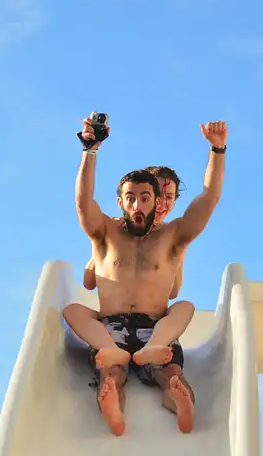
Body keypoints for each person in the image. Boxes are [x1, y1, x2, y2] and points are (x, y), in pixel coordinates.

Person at [74, 114, 227, 437]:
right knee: (107, 368)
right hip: (110, 330)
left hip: (154, 330)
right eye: (130, 198)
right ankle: (112, 400)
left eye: (145, 197)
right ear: (121, 203)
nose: (138, 204)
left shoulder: (172, 237)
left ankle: (179, 399)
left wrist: (217, 151)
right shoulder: (105, 233)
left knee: (172, 359)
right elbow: (83, 202)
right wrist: (90, 150)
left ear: (157, 203)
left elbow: (209, 199)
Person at [63, 165, 195, 367]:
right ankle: (112, 352)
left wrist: (172, 255)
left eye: (169, 197)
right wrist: (107, 251)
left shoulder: (173, 236)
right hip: (114, 318)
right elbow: (89, 281)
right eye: (157, 193)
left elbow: (173, 291)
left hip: (152, 323)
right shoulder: (115, 229)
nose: (162, 203)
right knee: (74, 312)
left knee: (184, 308)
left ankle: (152, 351)